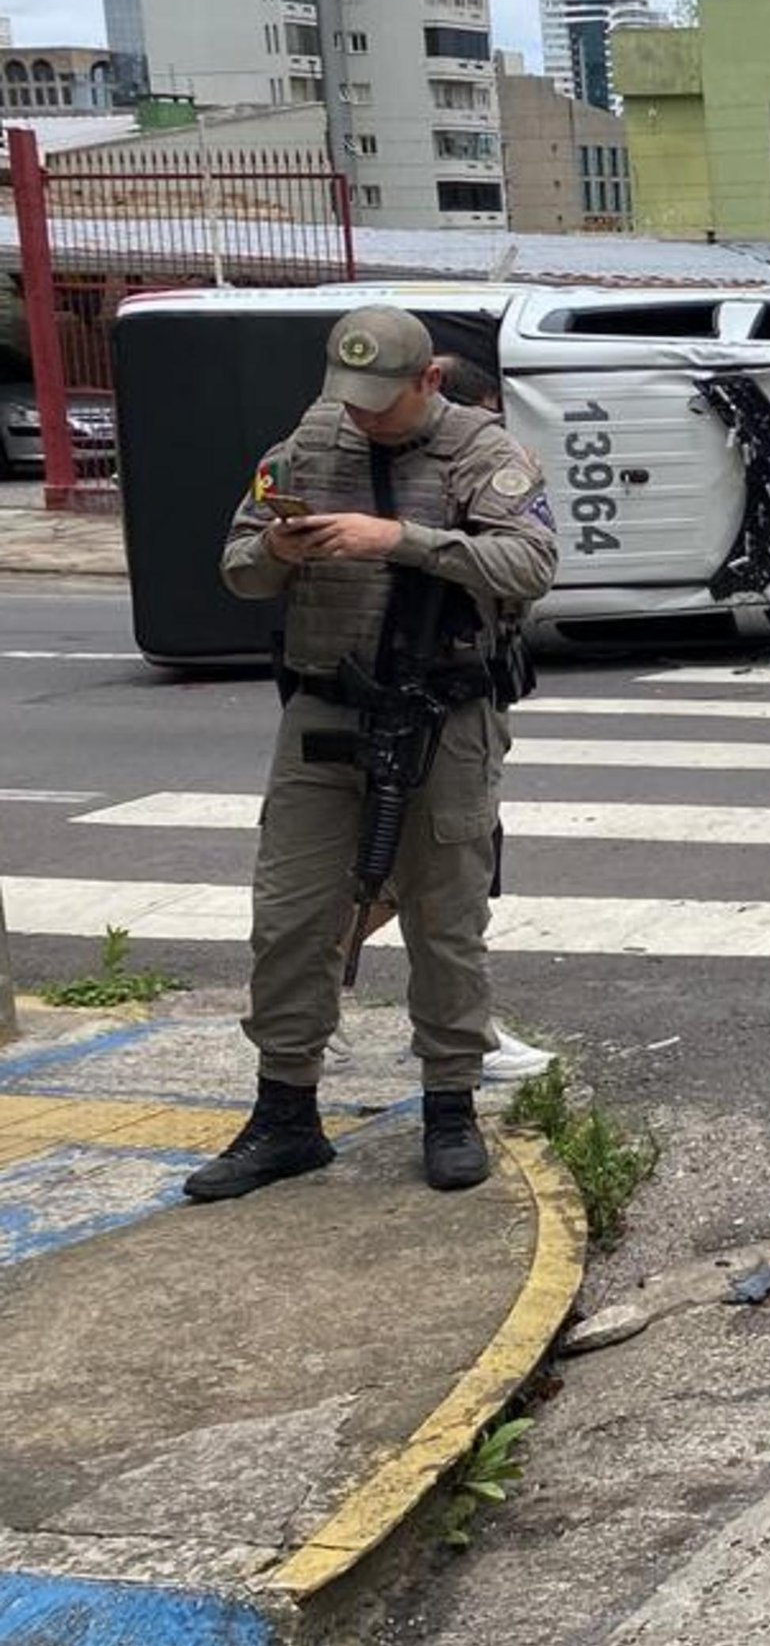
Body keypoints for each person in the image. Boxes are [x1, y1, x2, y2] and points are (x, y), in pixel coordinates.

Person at [188, 306, 557, 1200]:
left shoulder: (482, 451)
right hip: (326, 710)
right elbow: (238, 567)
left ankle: (450, 1107)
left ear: (428, 380)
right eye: (350, 399)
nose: (362, 417)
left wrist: (400, 541)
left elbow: (530, 564)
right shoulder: (313, 439)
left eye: (381, 402)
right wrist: (277, 546)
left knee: (445, 919)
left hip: (445, 712)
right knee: (290, 916)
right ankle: (285, 1115)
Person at [414, 354, 557, 1086]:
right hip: (439, 703)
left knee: (417, 875)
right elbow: (519, 571)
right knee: (434, 878)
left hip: (466, 695)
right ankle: (461, 1034)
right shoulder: (458, 468)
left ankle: (333, 1002)